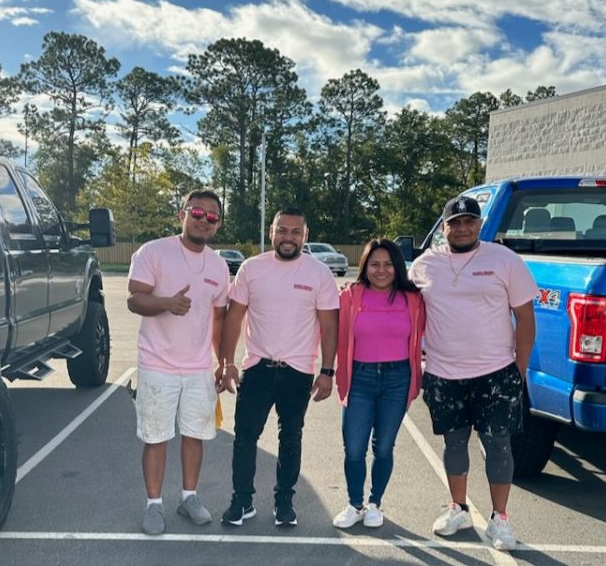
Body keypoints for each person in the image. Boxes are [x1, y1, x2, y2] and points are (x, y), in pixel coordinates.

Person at [408, 195, 537, 551]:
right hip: (442, 373)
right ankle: (458, 508)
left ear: (480, 225)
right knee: (454, 442)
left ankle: (501, 520)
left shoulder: (504, 260)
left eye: (469, 221)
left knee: (498, 444)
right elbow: (401, 307)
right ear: (444, 228)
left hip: (495, 372)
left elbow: (525, 318)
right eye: (455, 223)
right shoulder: (423, 265)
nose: (462, 228)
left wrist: (519, 370)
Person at [217, 207, 339, 528]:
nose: (288, 237)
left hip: (297, 372)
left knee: (291, 437)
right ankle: (242, 501)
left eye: (295, 232)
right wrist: (227, 362)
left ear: (305, 236)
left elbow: (330, 325)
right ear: (271, 232)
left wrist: (327, 372)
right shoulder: (251, 269)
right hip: (257, 368)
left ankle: (284, 501)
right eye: (282, 230)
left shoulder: (319, 274)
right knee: (244, 437)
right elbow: (234, 317)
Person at [126, 189, 230, 536]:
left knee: (195, 434)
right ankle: (153, 505)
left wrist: (222, 361)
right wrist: (167, 303)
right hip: (157, 364)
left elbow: (217, 319)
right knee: (156, 437)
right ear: (182, 213)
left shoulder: (218, 265)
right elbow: (134, 299)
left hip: (198, 368)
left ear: (217, 224)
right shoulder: (154, 252)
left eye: (212, 217)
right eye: (197, 213)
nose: (204, 220)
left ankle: (189, 497)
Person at [331, 238, 426, 529]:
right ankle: (354, 503)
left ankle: (374, 504)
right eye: (374, 264)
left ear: (397, 267)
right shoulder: (350, 296)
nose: (381, 270)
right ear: (365, 266)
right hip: (360, 377)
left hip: (398, 379)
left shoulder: (414, 300)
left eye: (387, 264)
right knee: (354, 448)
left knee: (384, 447)